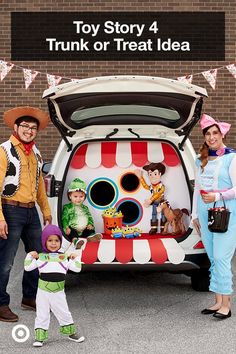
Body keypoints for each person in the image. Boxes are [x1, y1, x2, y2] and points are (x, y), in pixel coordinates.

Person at [0, 106, 52, 323]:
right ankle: (1, 304)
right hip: (10, 210)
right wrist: (0, 218)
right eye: (25, 126)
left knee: (36, 255)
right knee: (6, 261)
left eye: (33, 128)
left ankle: (29, 297)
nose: (29, 131)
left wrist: (46, 211)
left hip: (31, 212)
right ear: (15, 127)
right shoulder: (4, 150)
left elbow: (40, 185)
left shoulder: (37, 153)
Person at [192, 113, 236, 320]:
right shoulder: (199, 159)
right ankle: (218, 301)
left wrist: (217, 195)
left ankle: (226, 305)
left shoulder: (231, 157)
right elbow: (197, 189)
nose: (211, 137)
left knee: (221, 257)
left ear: (222, 135)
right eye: (208, 133)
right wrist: (194, 214)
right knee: (212, 258)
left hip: (225, 213)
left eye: (215, 133)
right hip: (204, 213)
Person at [24, 224, 85, 347]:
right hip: (42, 293)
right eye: (50, 240)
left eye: (56, 240)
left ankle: (71, 333)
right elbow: (27, 267)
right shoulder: (41, 258)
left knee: (64, 312)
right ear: (44, 242)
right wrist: (30, 255)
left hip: (58, 293)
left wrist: (75, 258)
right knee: (42, 314)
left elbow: (77, 269)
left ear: (60, 242)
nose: (53, 243)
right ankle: (39, 338)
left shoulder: (64, 258)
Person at [62, 178, 102, 244]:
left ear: (84, 196)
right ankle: (75, 241)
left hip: (84, 230)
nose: (78, 199)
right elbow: (64, 218)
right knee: (72, 232)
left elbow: (89, 217)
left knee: (90, 230)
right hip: (73, 228)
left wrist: (90, 224)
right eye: (75, 196)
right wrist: (66, 227)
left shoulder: (85, 208)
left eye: (81, 196)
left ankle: (91, 237)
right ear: (70, 196)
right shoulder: (67, 207)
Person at [135, 162, 166, 234]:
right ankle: (153, 228)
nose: (152, 176)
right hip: (154, 203)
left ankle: (163, 228)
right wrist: (140, 177)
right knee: (154, 214)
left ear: (160, 174)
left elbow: (158, 194)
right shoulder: (152, 186)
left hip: (161, 202)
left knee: (163, 214)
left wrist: (150, 200)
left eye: (155, 174)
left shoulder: (161, 186)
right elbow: (145, 186)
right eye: (150, 174)